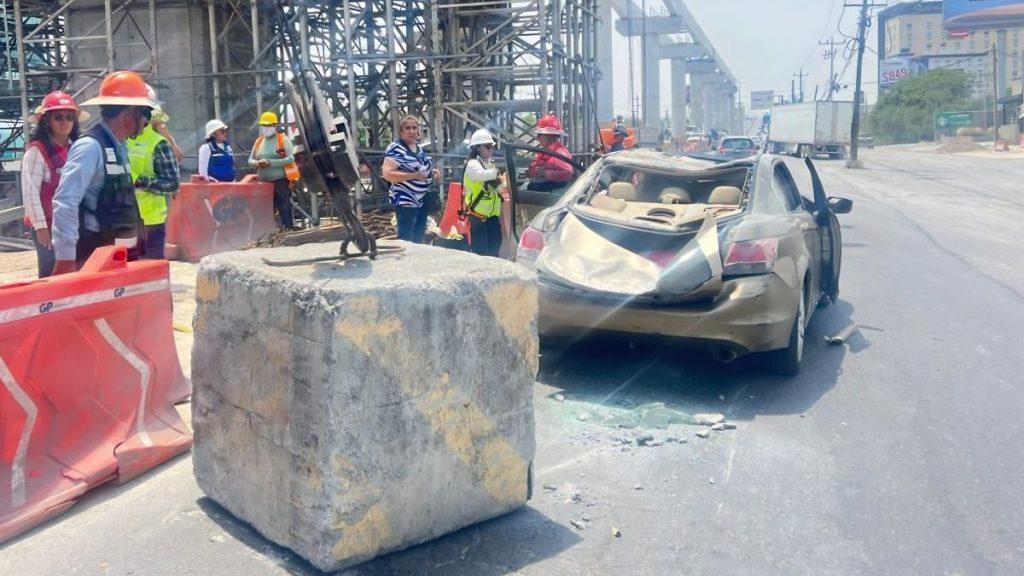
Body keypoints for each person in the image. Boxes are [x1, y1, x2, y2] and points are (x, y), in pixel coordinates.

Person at [51, 70, 158, 275]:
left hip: (118, 254)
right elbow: (65, 203)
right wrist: (66, 259)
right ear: (130, 113)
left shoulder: (120, 146)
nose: (147, 121)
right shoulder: (90, 147)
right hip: (94, 256)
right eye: (146, 113)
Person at [21, 91, 88, 277]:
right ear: (46, 121)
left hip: (73, 225)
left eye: (69, 117)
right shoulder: (37, 151)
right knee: (50, 274)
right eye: (58, 117)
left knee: (72, 274)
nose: (64, 122)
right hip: (49, 227)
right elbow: (30, 192)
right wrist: (41, 228)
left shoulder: (77, 148)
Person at [127, 98, 180, 260]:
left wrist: (140, 182)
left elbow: (172, 184)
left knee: (151, 271)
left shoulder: (159, 143)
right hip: (126, 220)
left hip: (151, 220)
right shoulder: (122, 139)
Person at [381, 115, 438, 243]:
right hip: (405, 200)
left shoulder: (418, 147)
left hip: (421, 199)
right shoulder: (396, 148)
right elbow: (388, 174)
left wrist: (431, 172)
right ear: (401, 131)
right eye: (407, 128)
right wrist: (414, 176)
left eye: (414, 127)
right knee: (406, 236)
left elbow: (419, 167)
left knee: (419, 234)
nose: (411, 131)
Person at [249, 111, 299, 230]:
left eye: (268, 126)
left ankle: (288, 231)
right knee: (266, 209)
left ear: (274, 126)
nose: (265, 128)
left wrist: (271, 162)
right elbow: (250, 159)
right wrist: (256, 163)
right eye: (263, 126)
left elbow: (292, 158)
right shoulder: (259, 142)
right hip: (263, 183)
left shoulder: (282, 140)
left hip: (280, 181)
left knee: (284, 208)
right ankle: (269, 233)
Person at [461, 128, 504, 258]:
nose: (491, 149)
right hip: (478, 216)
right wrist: (498, 172)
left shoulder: (489, 164)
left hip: (491, 216)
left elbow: (499, 186)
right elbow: (482, 175)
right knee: (481, 252)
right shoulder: (472, 164)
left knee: (495, 247)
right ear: (478, 148)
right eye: (488, 146)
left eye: (491, 147)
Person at [525, 114, 573, 192]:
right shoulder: (547, 151)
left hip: (552, 195)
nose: (538, 138)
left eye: (539, 135)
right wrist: (532, 172)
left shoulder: (560, 152)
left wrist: (544, 173)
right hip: (543, 191)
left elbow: (567, 173)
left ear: (549, 136)